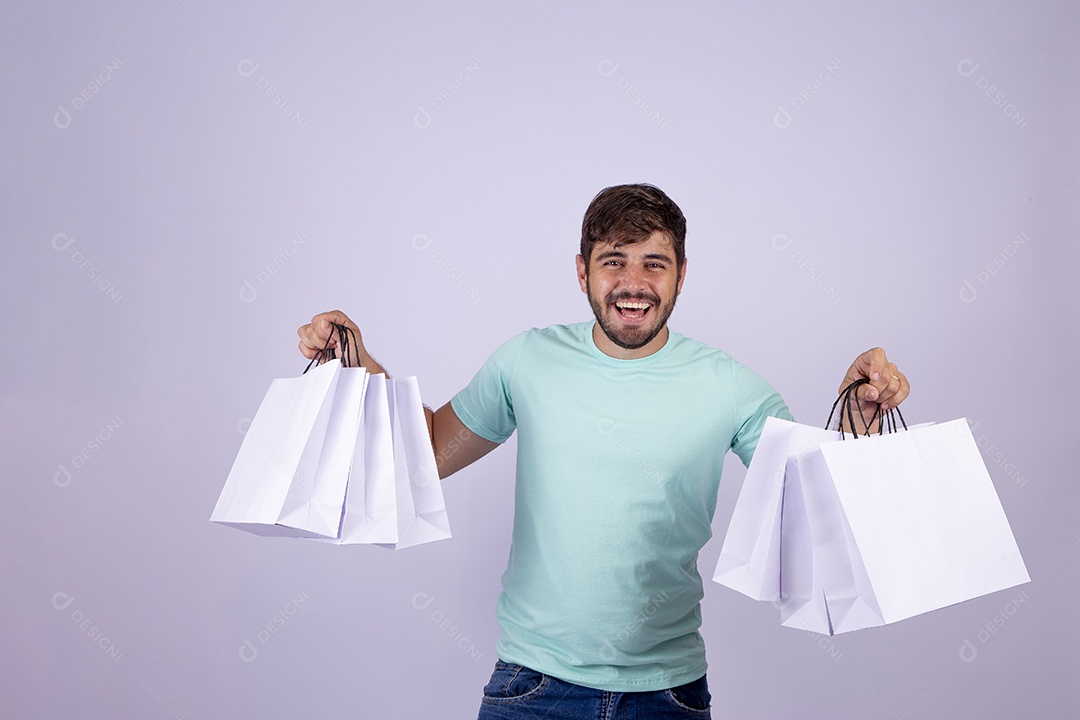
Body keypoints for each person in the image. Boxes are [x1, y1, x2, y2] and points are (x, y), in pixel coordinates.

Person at [296, 184, 909, 719]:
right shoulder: (528, 359)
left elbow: (809, 499)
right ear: (582, 271)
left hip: (668, 696)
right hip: (533, 689)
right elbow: (423, 453)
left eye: (654, 263)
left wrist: (859, 416)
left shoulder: (728, 384)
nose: (634, 284)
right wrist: (354, 359)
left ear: (683, 273)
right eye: (613, 261)